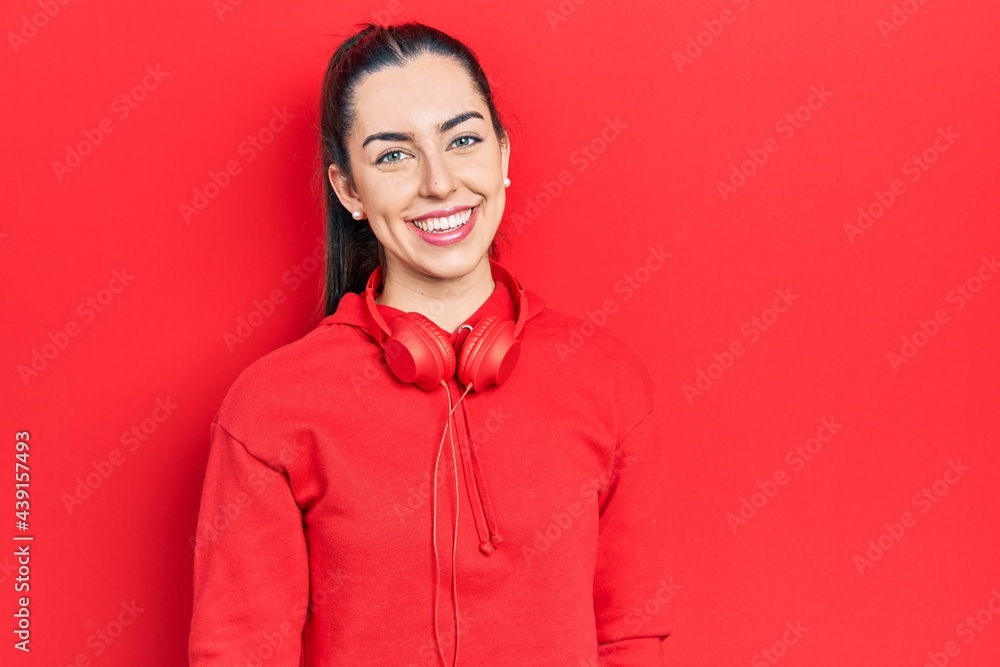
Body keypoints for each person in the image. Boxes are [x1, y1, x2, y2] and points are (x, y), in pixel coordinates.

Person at [188, 20, 672, 667]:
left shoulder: (607, 381)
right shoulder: (271, 408)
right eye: (394, 155)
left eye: (462, 140)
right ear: (349, 190)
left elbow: (631, 639)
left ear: (502, 157)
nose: (439, 183)